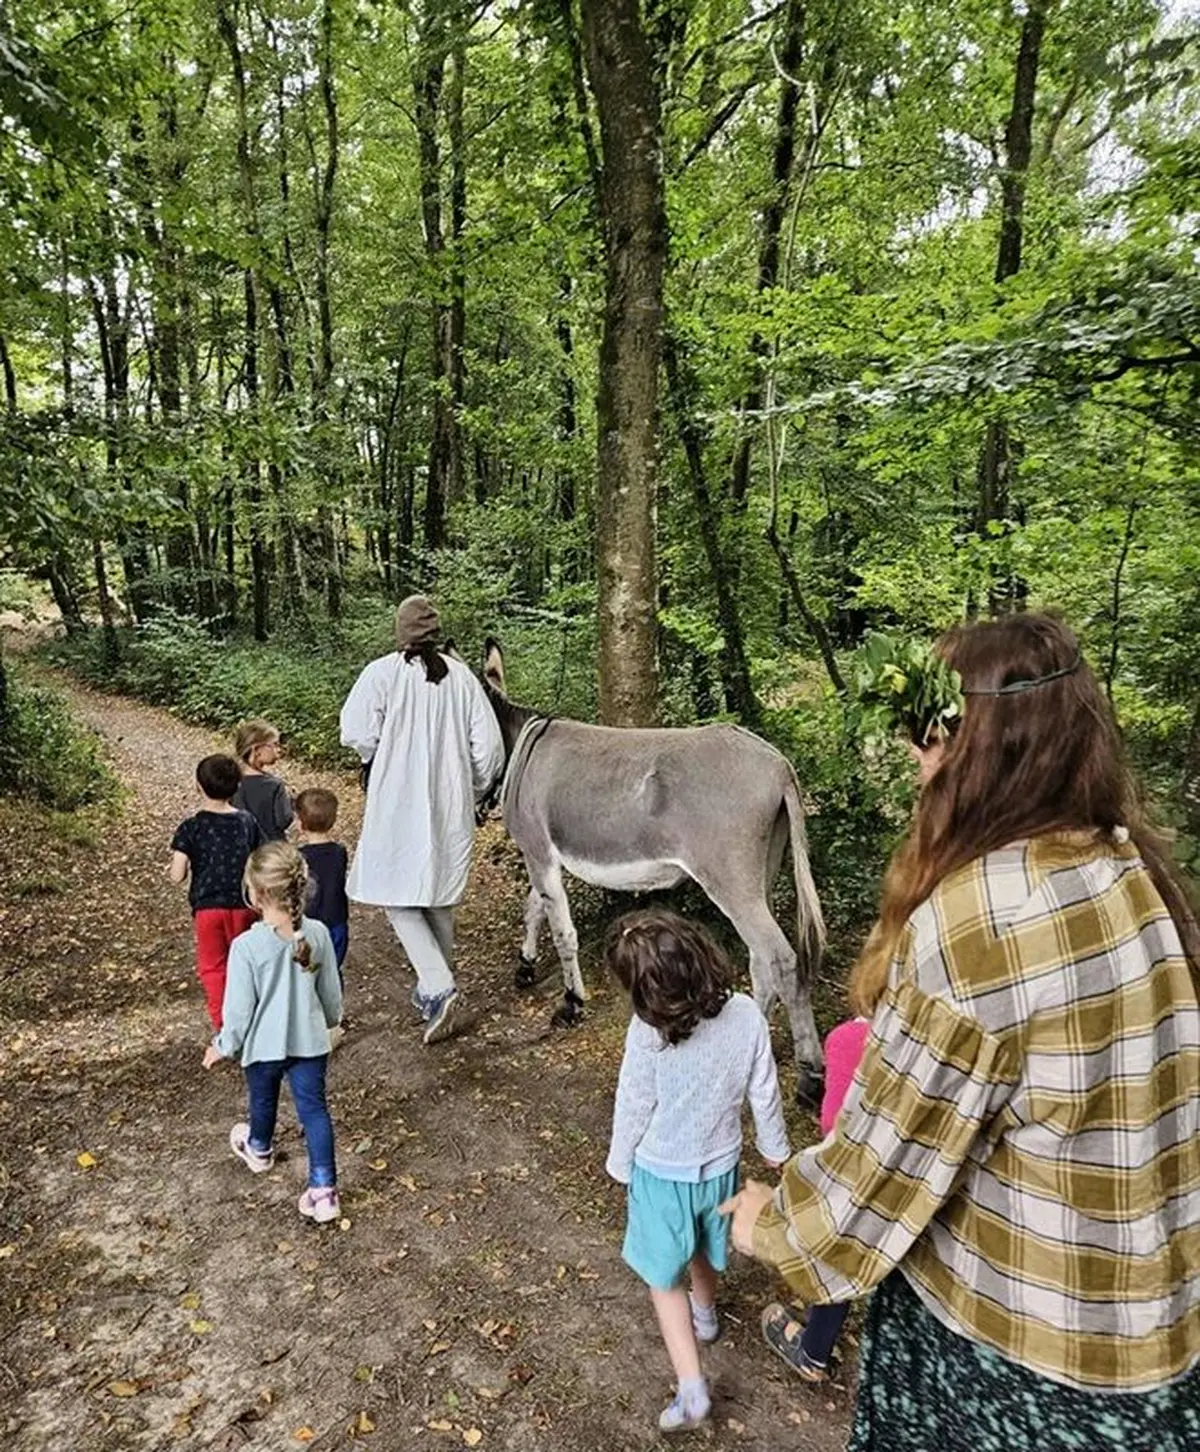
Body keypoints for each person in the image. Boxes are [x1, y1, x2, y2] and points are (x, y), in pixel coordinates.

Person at [719, 614, 1200, 1451]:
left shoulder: (982, 918)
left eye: (931, 732)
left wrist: (769, 1220)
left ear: (984, 747)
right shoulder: (1127, 863)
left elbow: (874, 1179)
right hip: (1151, 1342)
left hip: (1013, 1354)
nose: (916, 755)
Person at [605, 910, 790, 1434]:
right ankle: (706, 1316)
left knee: (664, 1279)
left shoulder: (649, 1031)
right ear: (700, 951)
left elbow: (634, 1102)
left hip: (662, 1174)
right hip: (721, 1165)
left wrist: (620, 1162)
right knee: (707, 1246)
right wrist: (775, 1148)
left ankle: (691, 1389)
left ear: (641, 989)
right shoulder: (748, 1014)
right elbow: (765, 1089)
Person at [339, 595, 504, 1046]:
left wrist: (376, 755)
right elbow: (489, 749)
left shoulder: (383, 673)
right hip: (451, 801)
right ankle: (436, 991)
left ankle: (438, 986)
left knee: (397, 895)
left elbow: (355, 731)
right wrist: (472, 787)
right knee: (438, 894)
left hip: (397, 798)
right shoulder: (462, 678)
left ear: (400, 631)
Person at [202, 842, 343, 1225]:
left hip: (263, 1046)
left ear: (257, 893)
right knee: (314, 1111)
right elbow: (330, 991)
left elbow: (239, 1009)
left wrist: (223, 1045)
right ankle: (323, 1190)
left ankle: (260, 1148)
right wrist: (332, 1021)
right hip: (310, 1043)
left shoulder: (247, 946)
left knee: (262, 1100)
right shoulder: (317, 935)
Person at [760, 1011, 870, 1382]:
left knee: (839, 1253)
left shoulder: (848, 1039)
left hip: (859, 1179)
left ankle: (814, 1352)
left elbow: (831, 1124)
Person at [169, 754, 261, 1028]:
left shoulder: (191, 828)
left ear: (198, 785)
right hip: (245, 905)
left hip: (208, 909)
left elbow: (177, 875)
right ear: (237, 787)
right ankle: (252, 1018)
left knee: (214, 968)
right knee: (245, 964)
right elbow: (257, 861)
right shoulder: (247, 821)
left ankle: (225, 1026)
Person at [295, 787, 350, 975]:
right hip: (336, 919)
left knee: (307, 968)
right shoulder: (339, 852)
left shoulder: (298, 857)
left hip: (308, 921)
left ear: (301, 824)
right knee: (333, 969)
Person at [233, 719, 293, 842]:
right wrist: (290, 802)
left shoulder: (231, 781)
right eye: (274, 745)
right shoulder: (274, 785)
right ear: (257, 750)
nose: (278, 750)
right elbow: (283, 820)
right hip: (271, 851)